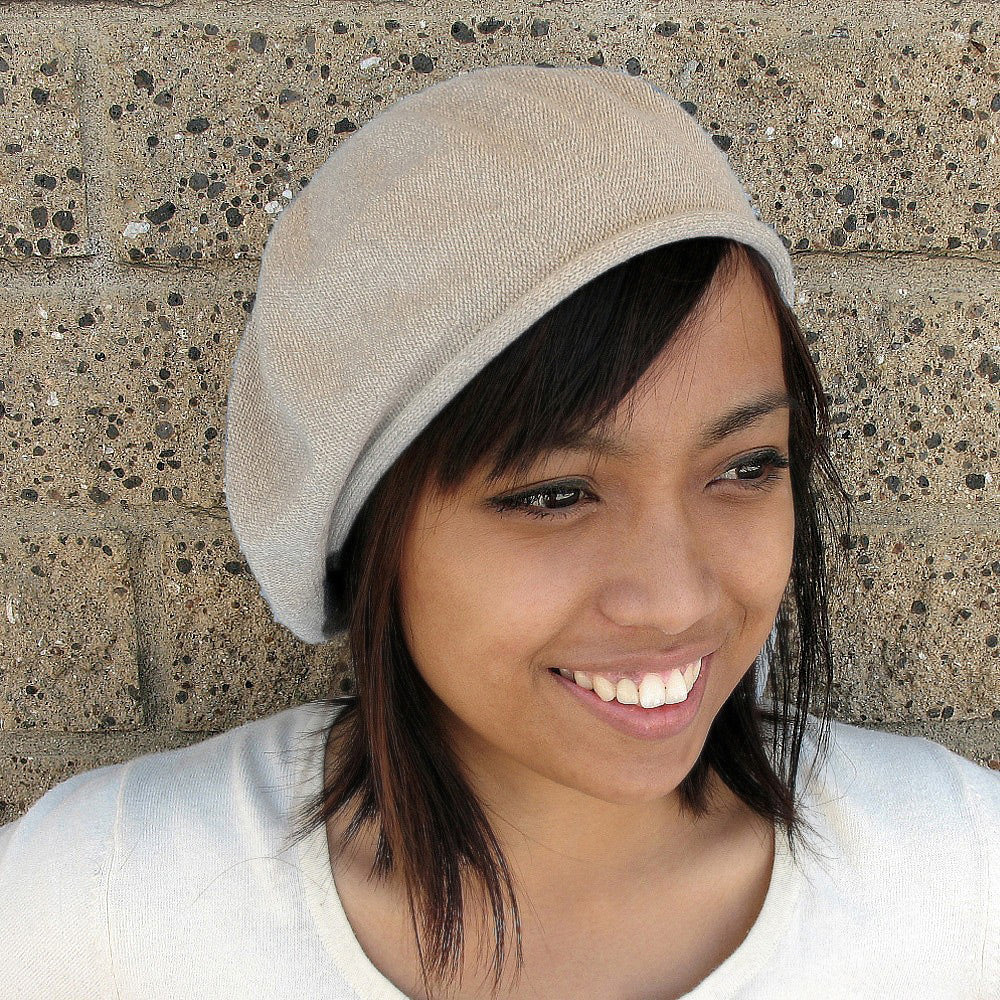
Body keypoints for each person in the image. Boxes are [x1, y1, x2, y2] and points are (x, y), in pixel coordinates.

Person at [0, 64, 996, 1000]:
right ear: (369, 527)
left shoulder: (959, 876)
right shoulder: (103, 904)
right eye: (555, 495)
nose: (676, 599)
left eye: (743, 469)